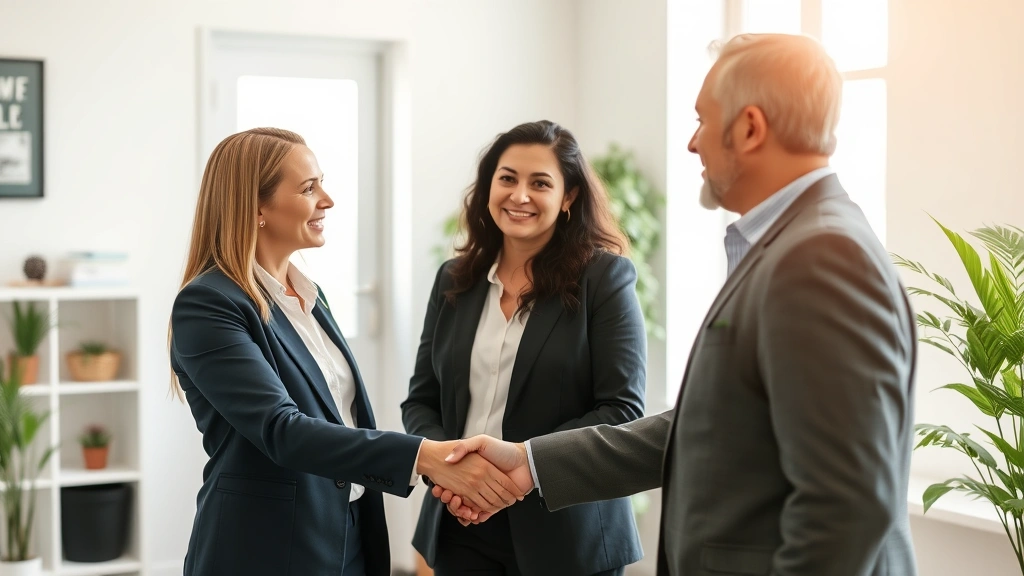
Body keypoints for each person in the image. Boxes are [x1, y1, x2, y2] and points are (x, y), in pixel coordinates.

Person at [435, 34, 919, 576]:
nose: (692, 144)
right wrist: (531, 462)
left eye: (702, 121)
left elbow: (848, 504)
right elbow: (701, 427)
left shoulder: (822, 257)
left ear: (750, 128)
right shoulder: (794, 244)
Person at [168, 127, 526, 576]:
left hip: (349, 528)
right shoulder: (209, 304)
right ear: (256, 206)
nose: (327, 200)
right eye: (308, 188)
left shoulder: (309, 295)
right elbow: (283, 429)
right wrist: (425, 456)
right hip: (265, 546)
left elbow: (340, 418)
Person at [401, 120, 647, 576]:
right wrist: (452, 469)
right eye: (507, 178)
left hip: (568, 531)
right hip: (462, 522)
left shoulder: (604, 279)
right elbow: (421, 398)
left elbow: (621, 409)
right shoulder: (454, 279)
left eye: (540, 183)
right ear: (488, 186)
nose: (519, 196)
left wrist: (522, 470)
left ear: (569, 197)